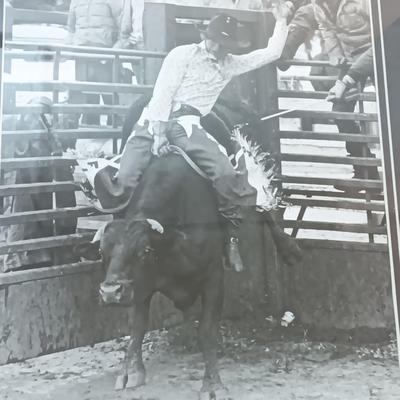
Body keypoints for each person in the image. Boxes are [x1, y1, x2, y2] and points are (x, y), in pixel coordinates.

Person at [91, 4, 292, 271]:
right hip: (153, 121)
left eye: (224, 44)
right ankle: (117, 236)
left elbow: (270, 54)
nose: (218, 48)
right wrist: (160, 133)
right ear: (205, 36)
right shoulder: (182, 55)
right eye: (215, 40)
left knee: (225, 174)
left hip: (189, 126)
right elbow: (163, 92)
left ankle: (231, 238)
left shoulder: (230, 65)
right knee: (125, 177)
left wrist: (282, 21)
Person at [66, 0, 145, 125]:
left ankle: (114, 136)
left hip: (106, 57)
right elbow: (71, 29)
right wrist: (70, 49)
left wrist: (112, 53)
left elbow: (123, 30)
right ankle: (89, 136)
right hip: (82, 57)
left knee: (111, 100)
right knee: (87, 101)